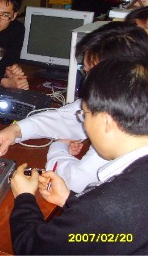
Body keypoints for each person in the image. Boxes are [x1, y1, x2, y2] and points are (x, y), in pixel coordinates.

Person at [0, 21, 148, 192]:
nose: (86, 80)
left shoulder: (122, 127)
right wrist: (15, 131)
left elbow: (77, 181)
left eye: (90, 72)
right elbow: (67, 116)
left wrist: (59, 146)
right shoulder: (132, 97)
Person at [10, 58, 148, 254]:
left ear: (106, 121)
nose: (84, 124)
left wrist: (24, 198)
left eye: (85, 115)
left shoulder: (110, 205)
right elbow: (113, 233)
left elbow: (33, 248)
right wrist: (70, 199)